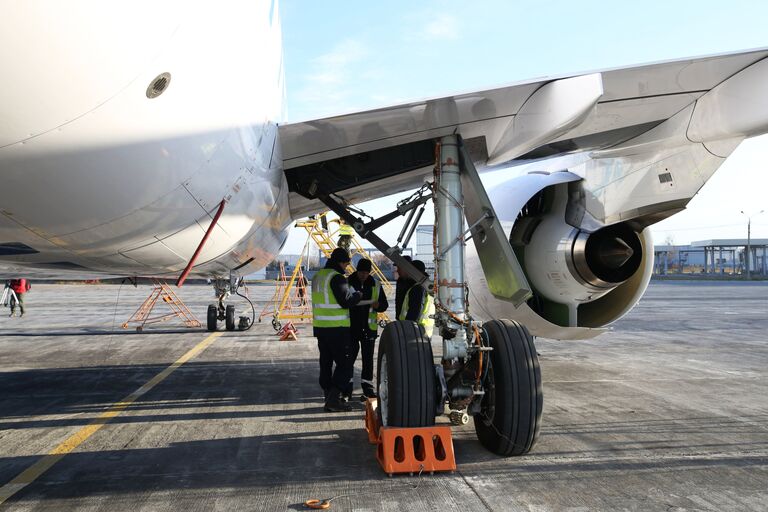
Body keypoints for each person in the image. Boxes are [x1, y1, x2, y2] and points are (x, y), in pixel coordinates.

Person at [312, 248, 362, 412]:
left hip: (321, 328)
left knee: (325, 363)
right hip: (337, 329)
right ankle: (333, 399)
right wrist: (358, 295)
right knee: (345, 365)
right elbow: (346, 301)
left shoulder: (318, 276)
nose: (348, 266)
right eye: (347, 263)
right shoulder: (336, 278)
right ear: (340, 262)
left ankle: (328, 397)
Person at [346, 259, 388, 401]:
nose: (363, 275)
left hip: (368, 328)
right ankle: (347, 388)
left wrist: (378, 306)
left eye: (366, 272)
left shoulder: (375, 284)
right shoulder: (348, 282)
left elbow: (384, 305)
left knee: (368, 359)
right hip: (351, 327)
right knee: (348, 358)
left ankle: (367, 387)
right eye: (361, 272)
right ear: (356, 271)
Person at [398, 260, 434, 338]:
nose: (408, 273)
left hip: (416, 332)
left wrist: (407, 329)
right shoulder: (427, 286)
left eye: (410, 270)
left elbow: (415, 312)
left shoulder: (418, 288)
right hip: (423, 332)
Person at [393, 255, 413, 319]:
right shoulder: (400, 281)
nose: (397, 271)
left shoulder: (415, 284)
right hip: (401, 320)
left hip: (411, 323)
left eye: (399, 268)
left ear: (406, 268)